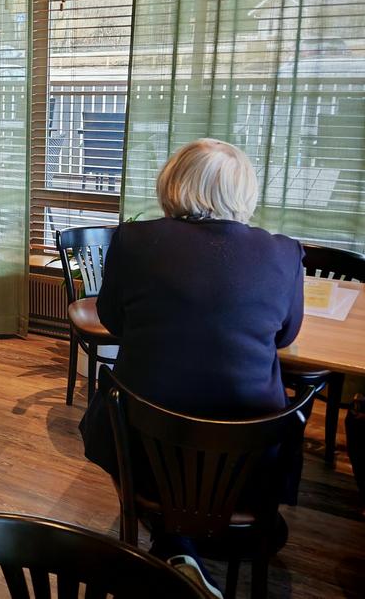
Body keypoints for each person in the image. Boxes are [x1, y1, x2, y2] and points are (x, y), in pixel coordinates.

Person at [78, 138, 304, 598]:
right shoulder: (283, 253)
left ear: (173, 183)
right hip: (247, 457)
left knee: (123, 405)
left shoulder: (133, 241)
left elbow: (113, 320)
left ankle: (174, 544)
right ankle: (192, 545)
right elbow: (285, 336)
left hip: (142, 444)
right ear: (244, 191)